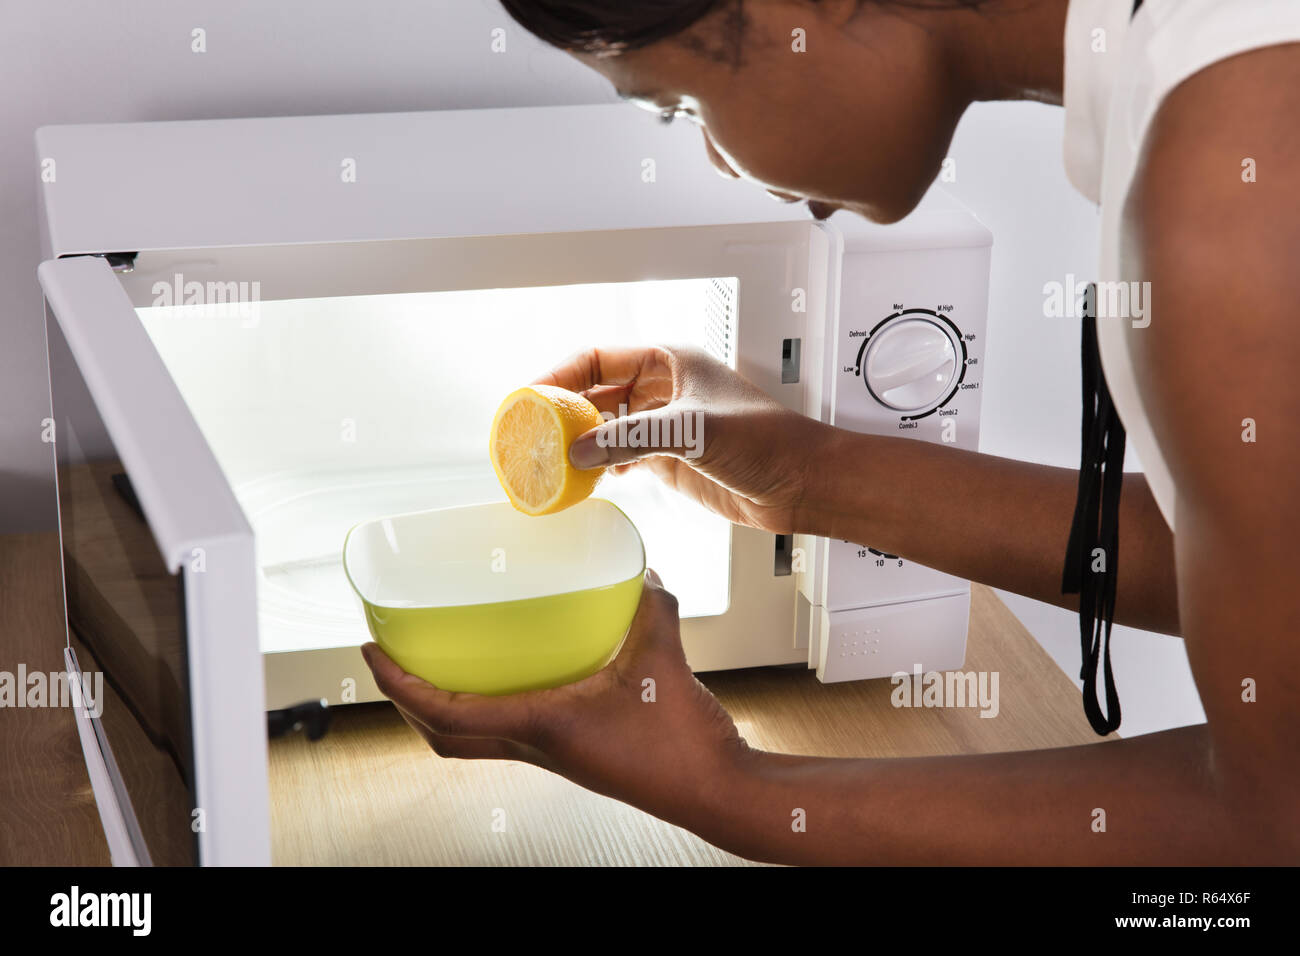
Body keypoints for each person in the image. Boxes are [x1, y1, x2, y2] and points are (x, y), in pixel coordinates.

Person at [361, 0, 1300, 864]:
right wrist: (810, 478)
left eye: (684, 107)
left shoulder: (1228, 182)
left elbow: (1265, 823)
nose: (723, 164)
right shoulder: (1214, 67)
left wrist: (729, 789)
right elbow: (1246, 567)